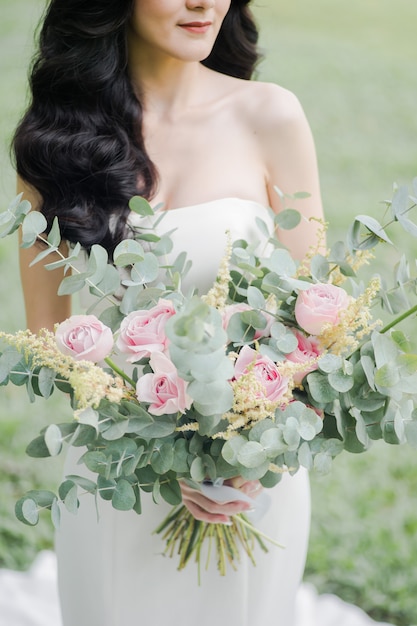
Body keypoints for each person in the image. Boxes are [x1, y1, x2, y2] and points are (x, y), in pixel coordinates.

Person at [14, 1, 324, 625]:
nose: (204, 1)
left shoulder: (270, 114)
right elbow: (50, 335)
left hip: (251, 478)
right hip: (119, 473)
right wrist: (163, 448)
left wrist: (254, 453)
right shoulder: (55, 143)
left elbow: (318, 320)